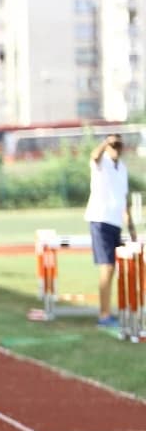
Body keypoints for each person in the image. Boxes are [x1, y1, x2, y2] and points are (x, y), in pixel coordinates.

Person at [85, 134, 137, 327]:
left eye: (118, 145)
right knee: (106, 267)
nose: (115, 148)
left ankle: (112, 311)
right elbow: (94, 156)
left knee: (115, 268)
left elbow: (124, 201)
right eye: (112, 145)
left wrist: (131, 228)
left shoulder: (122, 169)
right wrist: (105, 142)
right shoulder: (101, 163)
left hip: (115, 222)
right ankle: (104, 315)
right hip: (100, 219)